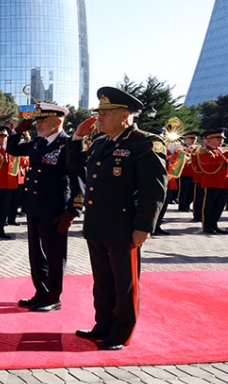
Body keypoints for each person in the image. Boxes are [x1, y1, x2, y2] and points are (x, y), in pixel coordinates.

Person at [67, 87, 167, 350]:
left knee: (124, 281)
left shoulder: (145, 143)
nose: (99, 117)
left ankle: (121, 332)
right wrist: (78, 135)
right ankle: (103, 324)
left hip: (125, 226)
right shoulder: (101, 142)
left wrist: (144, 226)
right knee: (102, 280)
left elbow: (154, 189)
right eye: (98, 112)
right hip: (98, 223)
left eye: (105, 113)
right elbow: (74, 164)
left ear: (124, 115)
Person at [7, 105, 85, 312]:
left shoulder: (68, 144)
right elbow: (12, 150)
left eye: (42, 121)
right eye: (37, 121)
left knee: (55, 255)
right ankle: (40, 292)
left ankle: (53, 297)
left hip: (55, 210)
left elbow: (79, 180)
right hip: (34, 206)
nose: (38, 125)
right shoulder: (38, 142)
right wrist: (18, 131)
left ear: (57, 122)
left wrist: (73, 212)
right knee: (36, 255)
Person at [194, 128, 228, 234]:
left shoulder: (221, 150)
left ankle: (214, 224)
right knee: (209, 205)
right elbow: (210, 164)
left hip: (223, 182)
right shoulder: (204, 150)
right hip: (211, 182)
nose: (221, 140)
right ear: (209, 139)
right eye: (218, 138)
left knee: (219, 205)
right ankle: (207, 225)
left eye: (222, 138)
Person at [177, 131, 199, 213]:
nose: (193, 140)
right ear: (186, 139)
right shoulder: (181, 147)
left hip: (194, 172)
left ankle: (187, 204)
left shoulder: (197, 148)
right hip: (184, 172)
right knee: (184, 190)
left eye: (195, 138)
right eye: (191, 138)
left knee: (192, 192)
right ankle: (182, 206)